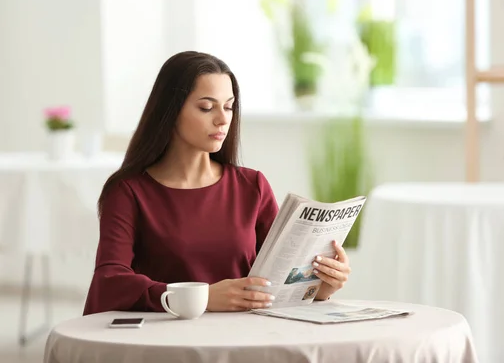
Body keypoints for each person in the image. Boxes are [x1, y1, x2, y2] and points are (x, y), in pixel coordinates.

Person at [83, 51, 352, 315]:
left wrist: (322, 286)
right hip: (167, 343)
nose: (223, 119)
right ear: (170, 110)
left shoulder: (252, 186)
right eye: (206, 107)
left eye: (228, 106)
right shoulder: (128, 191)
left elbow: (277, 278)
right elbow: (110, 282)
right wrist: (201, 297)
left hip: (245, 338)